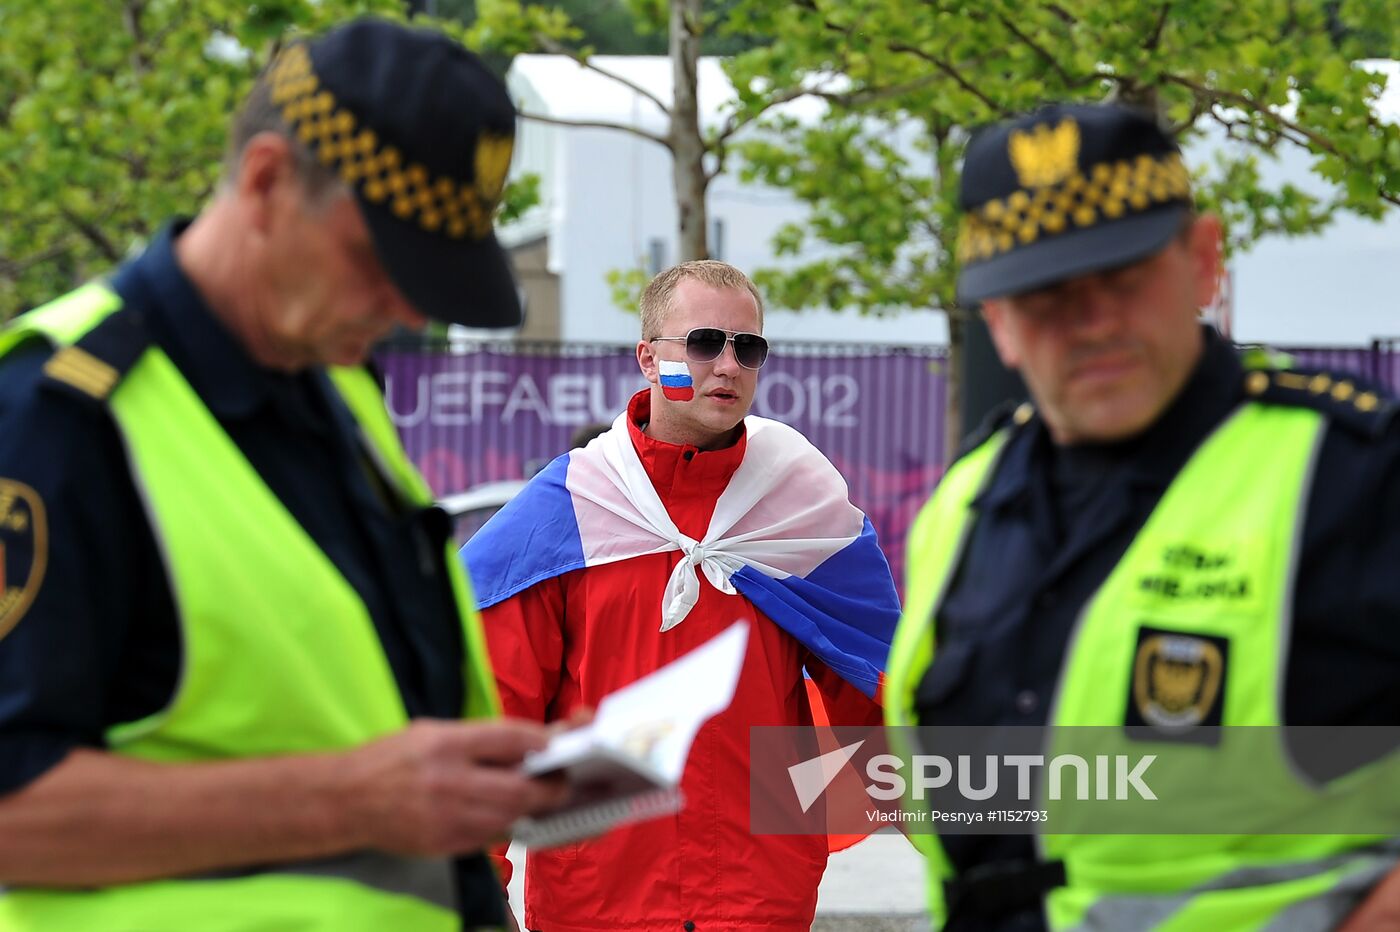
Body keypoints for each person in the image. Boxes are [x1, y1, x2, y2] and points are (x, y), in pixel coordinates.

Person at [0, 19, 568, 931]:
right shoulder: (57, 418)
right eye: (379, 259)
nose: (407, 306)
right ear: (265, 183)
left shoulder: (336, 385)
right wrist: (348, 801)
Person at [884, 102, 1400, 930]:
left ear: (1203, 262)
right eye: (1045, 297)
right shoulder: (965, 503)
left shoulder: (1355, 474)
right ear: (999, 325)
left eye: (1122, 277)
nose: (1093, 325)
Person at [462, 260, 903, 931]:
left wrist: (987, 830)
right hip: (596, 907)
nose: (726, 366)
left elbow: (880, 699)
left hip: (760, 904)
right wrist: (472, 887)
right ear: (648, 357)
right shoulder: (569, 508)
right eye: (702, 344)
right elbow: (489, 715)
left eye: (746, 348)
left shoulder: (804, 509)